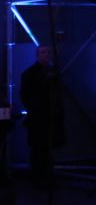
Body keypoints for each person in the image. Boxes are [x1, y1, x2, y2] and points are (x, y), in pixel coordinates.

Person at [20, 44, 64, 186]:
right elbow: (25, 96)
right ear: (38, 55)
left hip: (50, 117)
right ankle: (38, 179)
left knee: (48, 150)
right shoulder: (30, 74)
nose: (46, 55)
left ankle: (46, 178)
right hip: (38, 118)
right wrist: (36, 109)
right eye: (43, 52)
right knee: (38, 150)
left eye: (48, 52)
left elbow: (57, 95)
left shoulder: (53, 73)